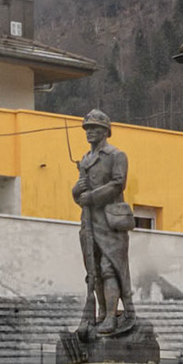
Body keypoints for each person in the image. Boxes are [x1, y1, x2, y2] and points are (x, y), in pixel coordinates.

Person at [71, 109, 137, 337]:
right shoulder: (85, 160)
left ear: (105, 131)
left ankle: (111, 315)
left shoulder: (116, 155)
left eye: (94, 128)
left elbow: (118, 184)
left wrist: (92, 196)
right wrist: (76, 191)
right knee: (94, 271)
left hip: (110, 224)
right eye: (87, 128)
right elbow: (80, 196)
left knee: (110, 269)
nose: (89, 132)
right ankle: (100, 314)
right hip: (89, 223)